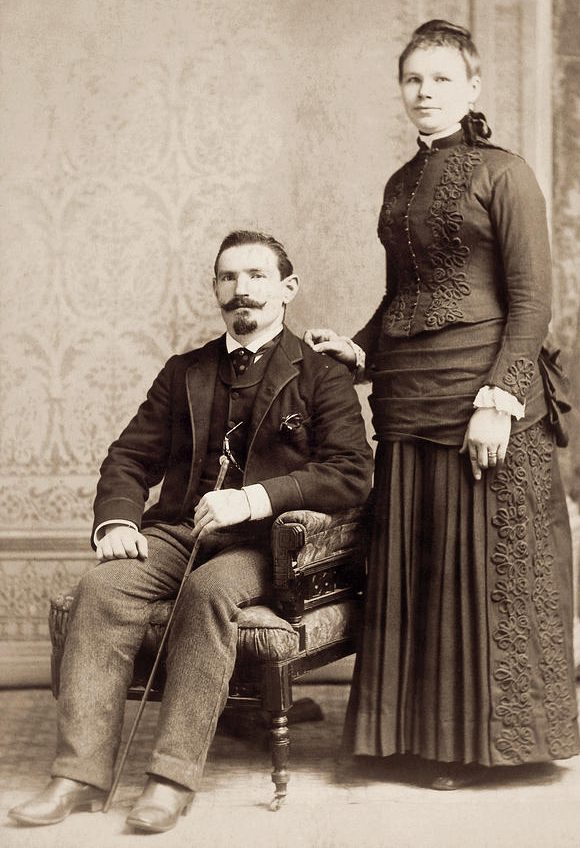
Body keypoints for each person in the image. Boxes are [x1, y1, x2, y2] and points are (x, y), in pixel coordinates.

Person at [9, 230, 373, 832]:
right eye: (228, 278)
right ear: (215, 290)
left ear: (287, 289)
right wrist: (118, 521)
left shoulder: (321, 377)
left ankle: (170, 781)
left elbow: (350, 474)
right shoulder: (186, 372)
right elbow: (128, 457)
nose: (242, 291)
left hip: (266, 544)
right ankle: (77, 776)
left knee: (207, 596)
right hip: (181, 531)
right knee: (101, 590)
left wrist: (254, 499)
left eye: (256, 276)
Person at [305, 20, 580, 790]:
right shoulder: (399, 183)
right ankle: (415, 743)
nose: (423, 94)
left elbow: (530, 302)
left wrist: (498, 398)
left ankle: (485, 751)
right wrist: (359, 350)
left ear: (472, 88)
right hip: (405, 398)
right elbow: (404, 297)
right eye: (411, 81)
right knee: (423, 571)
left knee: (481, 572)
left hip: (481, 398)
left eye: (439, 79)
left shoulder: (505, 174)